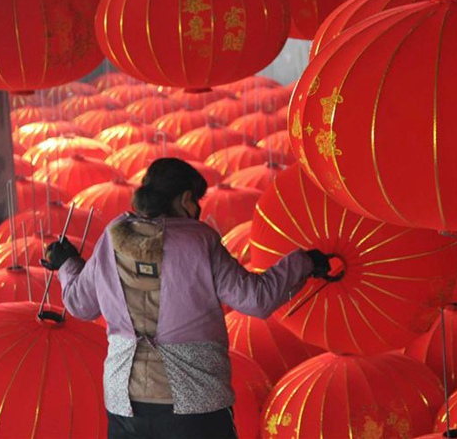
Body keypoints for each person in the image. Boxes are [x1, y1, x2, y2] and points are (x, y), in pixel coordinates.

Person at [42, 158, 332, 439]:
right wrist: (304, 262)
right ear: (185, 199)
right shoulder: (199, 240)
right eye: (196, 202)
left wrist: (68, 264)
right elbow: (255, 300)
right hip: (194, 402)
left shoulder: (113, 236)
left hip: (126, 402)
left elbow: (81, 305)